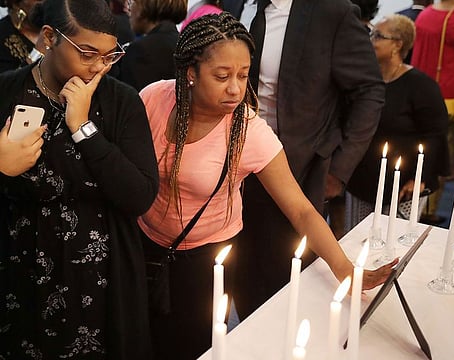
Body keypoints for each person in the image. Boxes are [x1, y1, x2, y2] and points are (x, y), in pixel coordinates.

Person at [138, 12, 395, 360]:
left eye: (244, 75)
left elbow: (301, 209)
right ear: (190, 73)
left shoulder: (248, 132)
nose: (235, 88)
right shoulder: (154, 98)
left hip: (204, 260)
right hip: (142, 245)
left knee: (190, 345)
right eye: (222, 76)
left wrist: (345, 268)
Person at [0, 0, 159, 358]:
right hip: (18, 271)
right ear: (49, 38)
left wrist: (84, 130)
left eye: (109, 56)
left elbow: (141, 196)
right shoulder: (6, 93)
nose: (98, 67)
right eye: (87, 54)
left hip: (101, 276)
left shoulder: (121, 102)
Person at [227, 0, 386, 320]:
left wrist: (339, 168)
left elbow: (369, 91)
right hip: (230, 168)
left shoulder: (330, 12)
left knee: (282, 277)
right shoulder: (238, 6)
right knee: (235, 271)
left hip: (297, 168)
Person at [345, 14, 449, 230]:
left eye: (378, 36)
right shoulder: (365, 78)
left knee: (392, 246)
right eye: (371, 33)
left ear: (397, 45)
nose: (371, 40)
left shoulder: (421, 86)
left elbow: (436, 134)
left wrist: (419, 178)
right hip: (362, 181)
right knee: (354, 240)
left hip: (403, 185)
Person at [411, 0, 454, 225]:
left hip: (422, 92)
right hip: (448, 97)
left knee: (423, 151)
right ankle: (426, 210)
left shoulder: (428, 13)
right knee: (442, 154)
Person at [114, 0, 187, 91]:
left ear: (143, 6)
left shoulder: (140, 50)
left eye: (132, 2)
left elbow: (136, 101)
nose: (129, 9)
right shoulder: (185, 44)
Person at [0, 0, 44, 72]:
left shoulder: (60, 25)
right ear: (16, 4)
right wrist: (37, 53)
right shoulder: (3, 35)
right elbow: (9, 82)